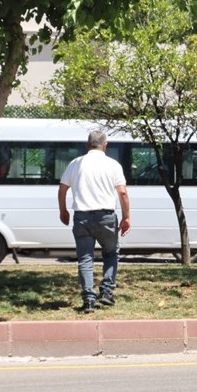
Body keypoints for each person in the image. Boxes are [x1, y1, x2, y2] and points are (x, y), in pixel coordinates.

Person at [57, 128, 131, 314]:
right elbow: (122, 192)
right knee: (111, 253)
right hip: (106, 217)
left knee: (85, 258)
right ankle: (106, 291)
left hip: (81, 217)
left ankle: (88, 300)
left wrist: (63, 211)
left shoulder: (75, 163)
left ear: (87, 145)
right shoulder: (112, 165)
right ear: (105, 145)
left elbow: (62, 189)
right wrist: (126, 217)